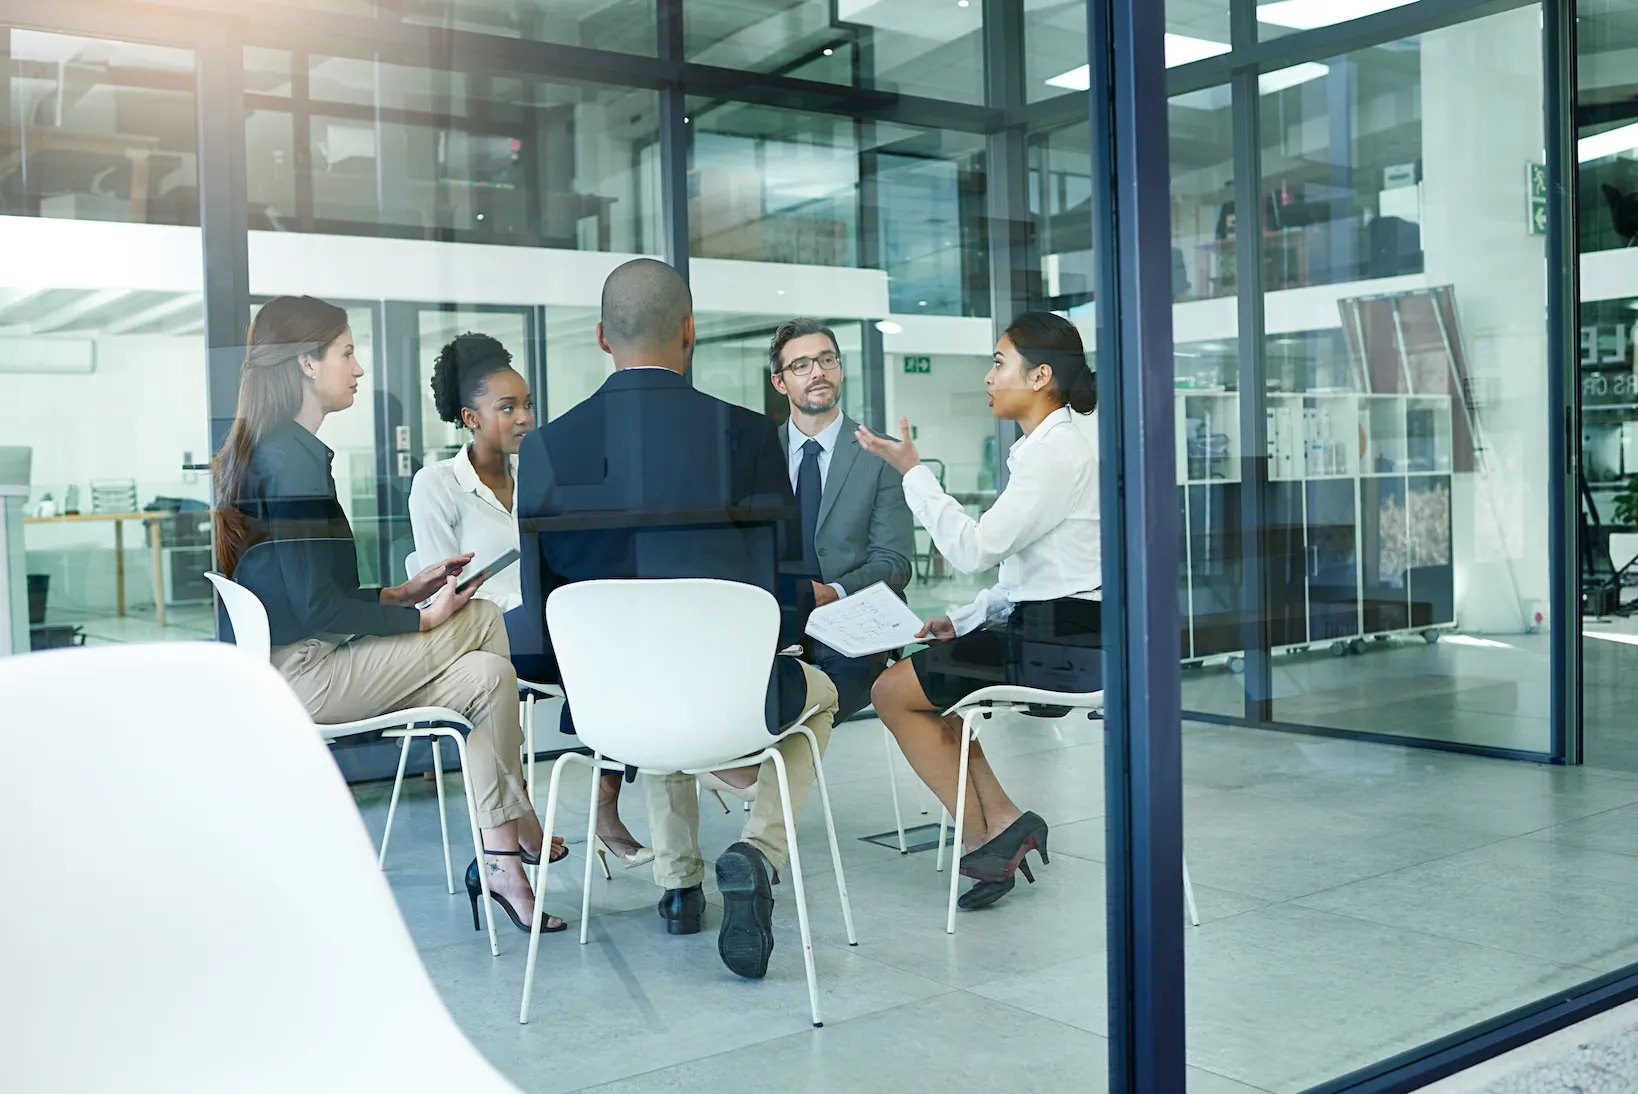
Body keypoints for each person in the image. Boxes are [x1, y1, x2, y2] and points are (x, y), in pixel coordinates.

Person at [516, 258, 839, 980]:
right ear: (688, 333)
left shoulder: (545, 449)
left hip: (616, 713)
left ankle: (679, 887)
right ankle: (757, 849)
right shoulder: (750, 437)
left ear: (602, 338)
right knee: (821, 694)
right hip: (725, 700)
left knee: (651, 658)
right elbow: (784, 603)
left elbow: (542, 631)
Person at [215, 295, 568, 936]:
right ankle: (521, 826)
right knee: (484, 618)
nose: (357, 369)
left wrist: (400, 596)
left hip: (310, 661)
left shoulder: (282, 451)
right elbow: (319, 609)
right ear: (304, 364)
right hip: (306, 677)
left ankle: (499, 862)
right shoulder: (289, 461)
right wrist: (425, 622)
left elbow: (310, 592)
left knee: (492, 678)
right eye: (347, 353)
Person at [856, 311, 1101, 913]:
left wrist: (914, 473)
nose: (989, 377)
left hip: (1057, 642)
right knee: (938, 703)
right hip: (1055, 627)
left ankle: (982, 837)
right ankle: (1008, 823)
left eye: (999, 363)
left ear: (1040, 375)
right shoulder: (1049, 447)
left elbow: (972, 550)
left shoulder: (1054, 455)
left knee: (891, 691)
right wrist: (963, 622)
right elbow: (1029, 572)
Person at [408, 332, 654, 875]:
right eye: (507, 407)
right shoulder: (437, 485)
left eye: (527, 405)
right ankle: (573, 811)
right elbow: (440, 589)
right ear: (470, 418)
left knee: (625, 653)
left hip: (553, 623)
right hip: (483, 632)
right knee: (607, 658)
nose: (524, 418)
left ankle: (604, 803)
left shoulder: (541, 478)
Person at [767, 317, 914, 719]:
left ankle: (769, 777)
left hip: (854, 622)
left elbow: (895, 563)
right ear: (780, 382)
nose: (817, 372)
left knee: (818, 697)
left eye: (826, 359)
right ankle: (769, 776)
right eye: (801, 365)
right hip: (773, 620)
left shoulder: (881, 454)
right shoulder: (758, 452)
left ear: (840, 370)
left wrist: (833, 591)